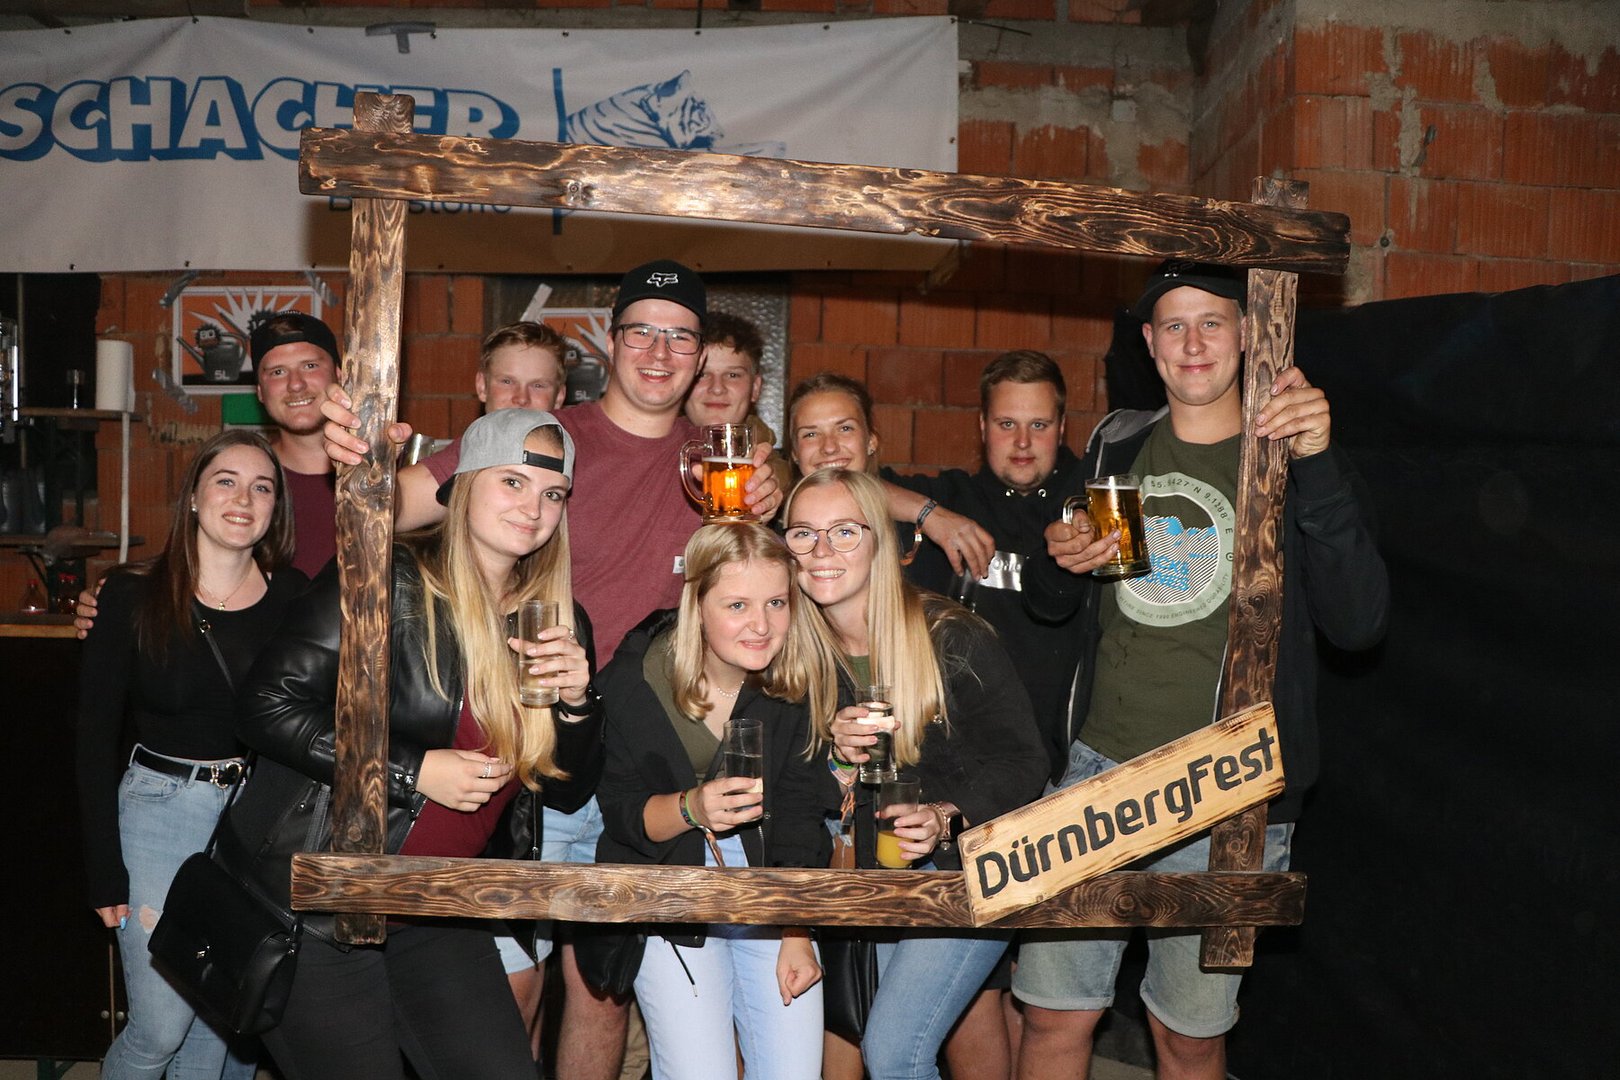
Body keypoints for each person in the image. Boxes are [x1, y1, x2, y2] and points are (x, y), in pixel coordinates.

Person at [320, 259, 782, 1080]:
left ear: (701, 355)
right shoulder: (540, 438)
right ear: (610, 340)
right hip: (533, 750)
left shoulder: (718, 467)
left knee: (602, 989)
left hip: (646, 768)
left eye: (680, 338)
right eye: (642, 332)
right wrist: (355, 460)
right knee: (510, 990)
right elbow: (386, 511)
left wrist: (772, 504)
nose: (659, 352)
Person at [1010, 261, 1390, 1080]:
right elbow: (1049, 602)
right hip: (1100, 770)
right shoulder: (1117, 442)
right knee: (1052, 1018)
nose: (1192, 343)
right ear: (1149, 344)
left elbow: (1360, 623)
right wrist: (1059, 558)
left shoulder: (1287, 456)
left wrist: (1319, 463)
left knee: (1189, 1037)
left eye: (1212, 322)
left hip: (1228, 784)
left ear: (1249, 333)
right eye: (1174, 326)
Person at [215, 409, 604, 1080]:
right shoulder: (386, 574)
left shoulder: (558, 619)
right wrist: (411, 770)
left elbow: (567, 789)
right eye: (512, 482)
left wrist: (577, 703)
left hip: (436, 904)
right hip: (324, 893)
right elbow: (264, 706)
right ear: (464, 482)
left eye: (552, 493)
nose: (533, 508)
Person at [782, 467, 1048, 1080]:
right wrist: (835, 757)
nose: (821, 550)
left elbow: (1025, 761)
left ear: (880, 540)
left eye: (844, 532)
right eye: (803, 534)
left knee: (894, 1051)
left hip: (967, 872)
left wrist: (945, 814)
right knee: (871, 1048)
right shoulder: (796, 650)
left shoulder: (949, 635)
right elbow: (796, 788)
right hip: (873, 872)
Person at [75, 429, 306, 1080]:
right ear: (196, 498)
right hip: (159, 813)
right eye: (226, 481)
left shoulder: (294, 599)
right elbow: (92, 736)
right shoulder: (131, 595)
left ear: (275, 509)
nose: (244, 499)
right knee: (159, 1029)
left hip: (252, 825)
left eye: (262, 487)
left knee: (220, 1028)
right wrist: (103, 870)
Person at [882, 349, 1088, 1078]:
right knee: (974, 997)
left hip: (1068, 780)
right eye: (1006, 424)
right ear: (980, 425)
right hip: (971, 787)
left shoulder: (1090, 505)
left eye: (1039, 425)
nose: (1023, 443)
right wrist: (932, 517)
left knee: (1052, 1002)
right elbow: (836, 486)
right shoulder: (955, 494)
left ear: (1063, 428)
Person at [594, 523, 837, 1080]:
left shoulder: (793, 681)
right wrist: (693, 808)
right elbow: (624, 817)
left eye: (777, 602)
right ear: (697, 605)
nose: (762, 624)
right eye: (737, 605)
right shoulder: (635, 683)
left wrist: (797, 932)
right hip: (670, 889)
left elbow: (801, 815)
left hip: (772, 892)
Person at [73, 310, 343, 637]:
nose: (295, 384)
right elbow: (180, 579)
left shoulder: (379, 479)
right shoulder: (234, 484)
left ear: (339, 375)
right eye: (277, 371)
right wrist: (111, 602)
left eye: (310, 366)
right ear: (260, 391)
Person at [785, 372, 994, 587]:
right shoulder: (780, 522)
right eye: (810, 434)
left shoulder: (927, 497)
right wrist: (923, 511)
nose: (829, 447)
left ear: (871, 440)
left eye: (845, 428)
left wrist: (927, 512)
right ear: (794, 452)